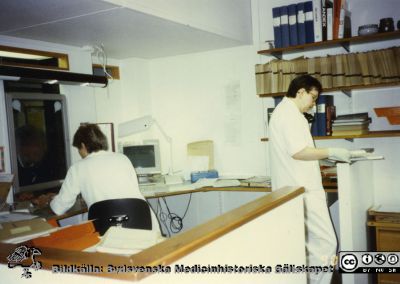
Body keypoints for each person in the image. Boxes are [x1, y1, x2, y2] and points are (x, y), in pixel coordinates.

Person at [269, 75, 351, 284]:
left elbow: (297, 152)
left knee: (308, 245)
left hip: (295, 189)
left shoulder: (286, 112)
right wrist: (330, 151)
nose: (314, 103)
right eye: (313, 98)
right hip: (302, 191)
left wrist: (325, 158)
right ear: (301, 92)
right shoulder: (290, 115)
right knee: (327, 243)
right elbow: (298, 151)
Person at [50, 124, 160, 234]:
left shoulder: (77, 168)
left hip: (106, 231)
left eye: (78, 149)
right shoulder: (123, 158)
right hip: (142, 224)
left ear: (83, 145)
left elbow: (58, 208)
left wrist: (50, 201)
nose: (79, 153)